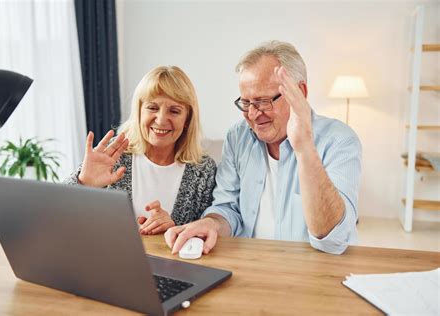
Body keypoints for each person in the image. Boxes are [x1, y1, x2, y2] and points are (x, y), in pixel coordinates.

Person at [165, 41, 362, 255]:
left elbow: (334, 240)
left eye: (263, 101)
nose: (253, 114)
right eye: (246, 103)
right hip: (252, 267)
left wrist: (305, 148)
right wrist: (211, 223)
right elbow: (227, 208)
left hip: (317, 273)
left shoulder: (339, 140)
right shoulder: (238, 136)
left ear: (300, 91)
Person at [64, 66, 216, 235]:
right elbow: (58, 214)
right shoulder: (115, 153)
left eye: (174, 111)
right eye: (152, 108)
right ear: (139, 111)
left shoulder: (203, 170)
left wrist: (175, 229)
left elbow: (207, 235)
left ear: (187, 118)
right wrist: (83, 183)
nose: (161, 120)